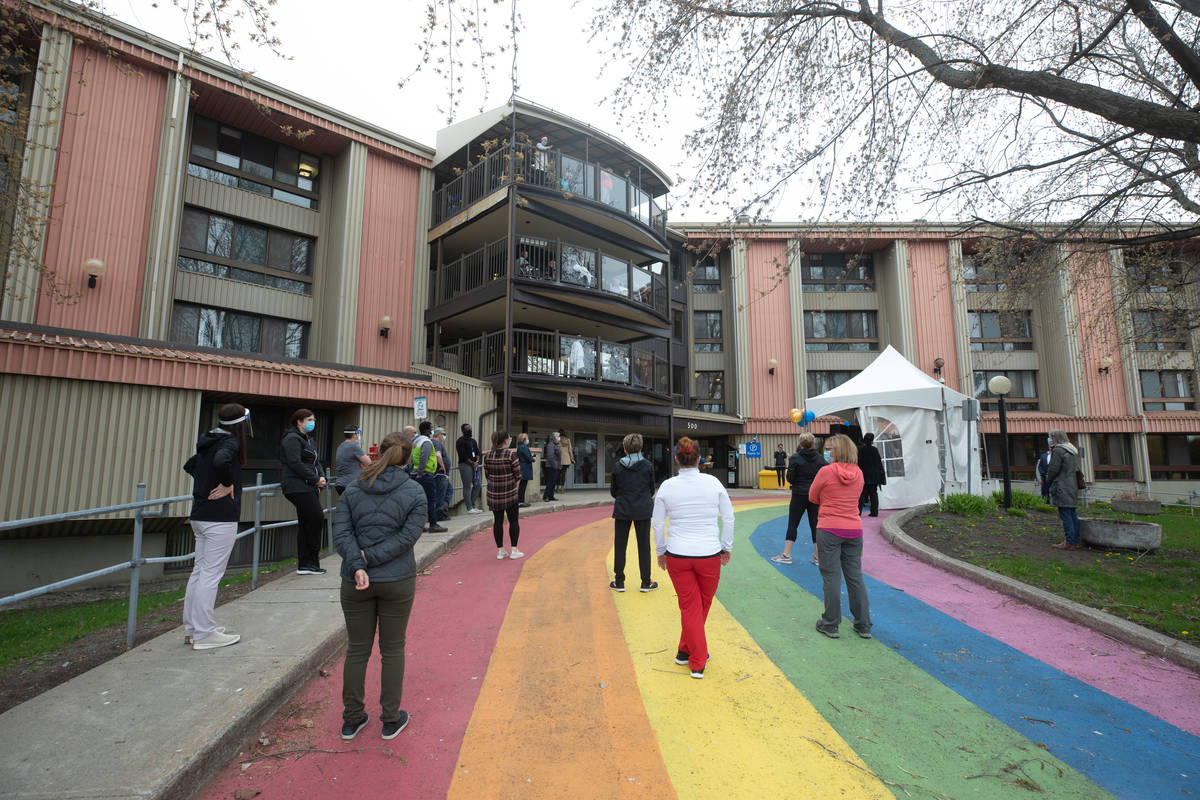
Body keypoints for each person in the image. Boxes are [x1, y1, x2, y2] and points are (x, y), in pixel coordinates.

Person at [332, 431, 426, 742]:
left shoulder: (353, 488)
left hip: (355, 579)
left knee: (357, 650)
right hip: (397, 579)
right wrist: (371, 558)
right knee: (392, 649)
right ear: (407, 456)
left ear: (379, 452)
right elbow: (407, 539)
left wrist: (359, 563)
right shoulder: (415, 492)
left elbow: (342, 532)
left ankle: (352, 719)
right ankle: (390, 718)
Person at [652, 436, 735, 679]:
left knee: (690, 606)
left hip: (678, 553)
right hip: (708, 553)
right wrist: (726, 546)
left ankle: (684, 650)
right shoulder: (714, 483)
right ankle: (698, 661)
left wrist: (660, 551)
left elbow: (657, 523)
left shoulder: (667, 486)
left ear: (676, 458)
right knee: (701, 605)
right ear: (699, 459)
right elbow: (728, 518)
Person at [182, 402, 250, 650]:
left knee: (199, 572)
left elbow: (190, 466)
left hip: (200, 515)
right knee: (210, 575)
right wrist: (227, 484)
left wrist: (205, 485)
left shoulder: (208, 440)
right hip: (219, 518)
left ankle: (193, 628)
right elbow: (222, 463)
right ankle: (204, 633)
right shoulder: (230, 443)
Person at [809, 433, 871, 640]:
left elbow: (812, 496)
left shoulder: (826, 472)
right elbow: (857, 496)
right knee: (854, 576)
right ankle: (863, 624)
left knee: (831, 576)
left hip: (829, 528)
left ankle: (831, 623)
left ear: (837, 451)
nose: (826, 452)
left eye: (829, 449)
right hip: (854, 528)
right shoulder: (859, 473)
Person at [280, 408, 327, 576]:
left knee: (307, 522)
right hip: (296, 486)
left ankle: (307, 563)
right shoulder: (292, 439)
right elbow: (295, 463)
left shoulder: (308, 439)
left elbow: (316, 461)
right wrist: (315, 479)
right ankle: (309, 562)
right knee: (316, 517)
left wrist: (320, 476)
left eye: (313, 419)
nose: (312, 423)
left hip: (308, 485)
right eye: (309, 420)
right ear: (299, 421)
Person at [610, 433, 657, 593]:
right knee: (644, 546)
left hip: (623, 508)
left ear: (625, 448)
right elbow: (651, 489)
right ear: (640, 447)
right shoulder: (648, 466)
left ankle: (619, 582)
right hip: (643, 509)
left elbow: (613, 491)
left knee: (620, 545)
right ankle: (645, 582)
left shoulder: (617, 466)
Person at [771, 434, 824, 566]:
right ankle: (818, 556)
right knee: (815, 524)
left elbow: (790, 478)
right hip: (814, 495)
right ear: (813, 444)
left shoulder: (795, 457)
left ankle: (786, 555)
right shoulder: (820, 458)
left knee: (793, 523)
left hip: (799, 494)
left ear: (800, 444)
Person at [484, 430, 524, 559]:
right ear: (505, 440)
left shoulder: (488, 456)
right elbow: (518, 475)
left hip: (494, 494)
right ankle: (514, 550)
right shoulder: (510, 455)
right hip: (510, 494)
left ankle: (501, 551)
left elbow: (487, 475)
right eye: (509, 438)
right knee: (513, 521)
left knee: (498, 522)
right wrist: (513, 487)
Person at [1046, 429, 1082, 550]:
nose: (1049, 439)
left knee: (1065, 514)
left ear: (1056, 438)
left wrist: (1048, 480)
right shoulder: (1071, 450)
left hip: (1062, 486)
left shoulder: (1058, 450)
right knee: (1072, 514)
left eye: (1051, 437)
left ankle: (1069, 541)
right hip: (1071, 486)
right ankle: (1075, 540)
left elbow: (1053, 469)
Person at [411, 421, 447, 533]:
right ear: (427, 430)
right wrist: (420, 472)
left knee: (419, 501)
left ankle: (420, 525)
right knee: (431, 500)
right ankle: (433, 524)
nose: (432, 431)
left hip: (416, 474)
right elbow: (424, 457)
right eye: (431, 428)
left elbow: (412, 458)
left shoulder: (416, 441)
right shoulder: (426, 442)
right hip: (425, 475)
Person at [335, 424, 372, 497]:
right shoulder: (354, 446)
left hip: (340, 484)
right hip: (350, 484)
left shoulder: (341, 446)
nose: (358, 435)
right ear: (354, 434)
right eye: (357, 433)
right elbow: (369, 463)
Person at [456, 423, 483, 514]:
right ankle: (469, 507)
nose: (469, 430)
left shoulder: (473, 441)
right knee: (467, 486)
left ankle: (473, 505)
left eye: (470, 428)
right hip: (465, 465)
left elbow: (478, 452)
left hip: (475, 465)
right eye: (467, 428)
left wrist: (477, 461)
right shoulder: (460, 441)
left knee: (478, 485)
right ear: (463, 430)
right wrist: (472, 463)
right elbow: (462, 455)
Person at [857, 433, 886, 517]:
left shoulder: (861, 450)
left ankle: (858, 512)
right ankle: (874, 512)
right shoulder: (875, 450)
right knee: (873, 493)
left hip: (863, 475)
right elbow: (879, 464)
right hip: (874, 476)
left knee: (861, 494)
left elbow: (859, 463)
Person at [431, 427, 453, 520]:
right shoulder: (436, 443)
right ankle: (439, 513)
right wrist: (442, 465)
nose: (444, 436)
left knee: (448, 490)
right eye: (443, 434)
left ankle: (442, 509)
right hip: (440, 474)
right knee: (441, 494)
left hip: (442, 475)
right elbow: (437, 454)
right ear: (437, 435)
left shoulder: (436, 443)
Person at [516, 433, 534, 508]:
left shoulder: (520, 447)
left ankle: (521, 501)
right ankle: (521, 501)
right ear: (524, 439)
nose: (528, 439)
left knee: (522, 485)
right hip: (525, 467)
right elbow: (528, 457)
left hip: (523, 466)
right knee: (523, 486)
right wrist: (532, 458)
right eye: (527, 438)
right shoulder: (523, 447)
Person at [543, 431, 562, 501]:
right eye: (558, 436)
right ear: (554, 438)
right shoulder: (551, 445)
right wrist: (555, 466)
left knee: (553, 482)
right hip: (551, 467)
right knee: (550, 482)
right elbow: (550, 457)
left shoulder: (556, 445)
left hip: (555, 467)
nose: (559, 438)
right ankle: (546, 496)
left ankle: (551, 495)